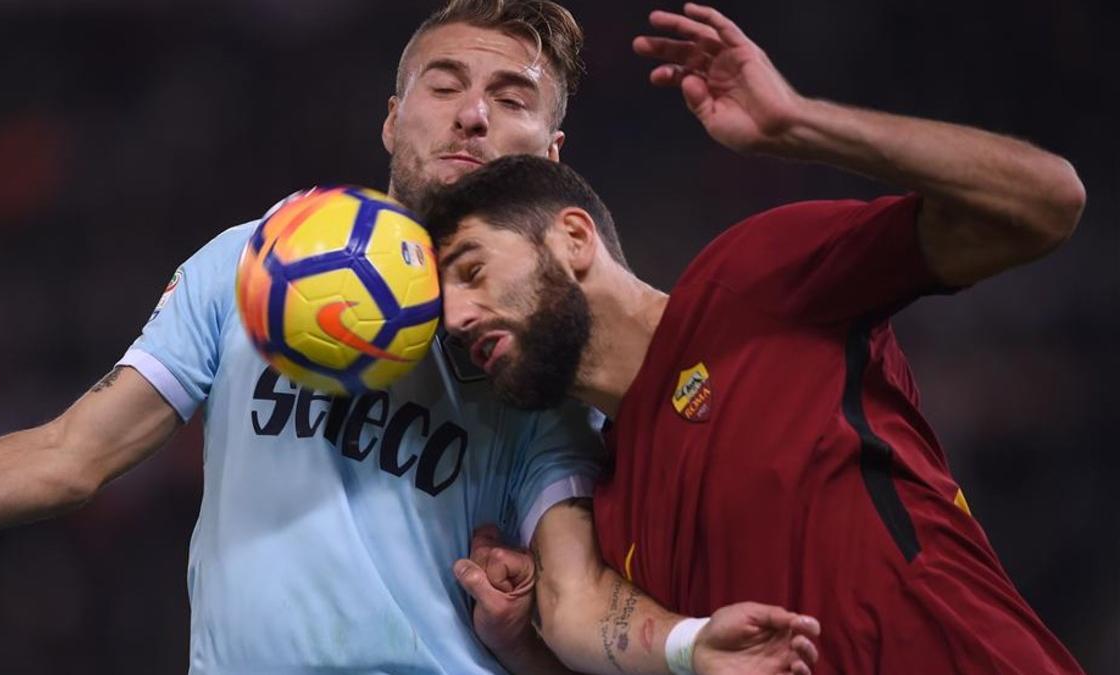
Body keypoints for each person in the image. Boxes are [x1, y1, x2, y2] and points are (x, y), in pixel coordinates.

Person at [0, 1, 822, 674]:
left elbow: (575, 596)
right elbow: (70, 455)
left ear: (551, 155)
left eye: (511, 98)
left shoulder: (542, 358)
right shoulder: (256, 260)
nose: (473, 115)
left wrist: (691, 643)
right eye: (445, 85)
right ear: (394, 118)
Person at [422, 3, 1088, 673]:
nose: (458, 317)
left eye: (473, 271)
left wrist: (798, 121)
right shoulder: (615, 517)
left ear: (572, 237)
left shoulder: (753, 281)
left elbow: (1046, 204)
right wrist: (520, 645)